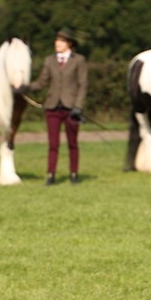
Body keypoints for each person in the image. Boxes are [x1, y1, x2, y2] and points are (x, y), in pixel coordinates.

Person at [26, 27, 88, 186]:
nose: (57, 43)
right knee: (53, 144)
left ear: (70, 44)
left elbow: (83, 84)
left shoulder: (79, 60)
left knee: (72, 143)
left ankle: (73, 173)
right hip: (52, 107)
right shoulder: (49, 60)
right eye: (57, 40)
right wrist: (24, 87)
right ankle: (51, 174)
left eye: (61, 41)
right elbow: (41, 83)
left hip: (71, 108)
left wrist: (78, 106)